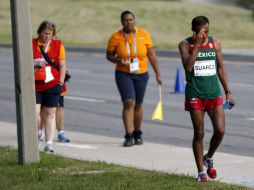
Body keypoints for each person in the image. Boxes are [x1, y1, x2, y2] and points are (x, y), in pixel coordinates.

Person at [178, 16, 235, 182]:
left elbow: (221, 69)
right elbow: (188, 67)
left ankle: (209, 157)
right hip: (195, 94)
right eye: (202, 31)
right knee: (200, 132)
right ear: (194, 32)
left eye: (207, 30)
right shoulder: (184, 44)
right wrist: (196, 46)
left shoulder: (215, 43)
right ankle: (201, 172)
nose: (205, 34)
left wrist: (228, 92)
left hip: (214, 93)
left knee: (220, 130)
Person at [106, 10, 162, 147]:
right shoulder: (115, 37)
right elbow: (109, 55)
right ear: (122, 22)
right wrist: (118, 60)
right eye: (126, 20)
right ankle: (128, 135)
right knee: (129, 102)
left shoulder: (144, 35)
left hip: (142, 73)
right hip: (123, 73)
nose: (128, 22)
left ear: (134, 21)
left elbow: (152, 56)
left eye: (131, 19)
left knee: (138, 104)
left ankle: (138, 133)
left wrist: (158, 74)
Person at [33, 20, 67, 153]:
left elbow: (63, 66)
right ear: (39, 32)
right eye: (44, 33)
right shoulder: (31, 44)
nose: (47, 36)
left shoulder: (58, 45)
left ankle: (49, 143)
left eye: (49, 34)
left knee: (50, 113)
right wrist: (35, 64)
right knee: (36, 113)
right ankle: (37, 133)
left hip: (52, 84)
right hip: (35, 84)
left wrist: (60, 83)